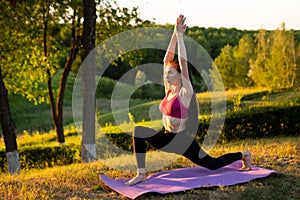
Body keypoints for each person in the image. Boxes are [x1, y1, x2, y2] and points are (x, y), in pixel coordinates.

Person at [125, 14, 251, 186]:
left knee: (212, 165)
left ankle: (243, 155)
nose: (167, 76)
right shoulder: (169, 89)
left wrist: (181, 37)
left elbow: (182, 63)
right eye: (166, 73)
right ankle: (142, 174)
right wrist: (174, 34)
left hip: (182, 141)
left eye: (171, 73)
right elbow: (166, 60)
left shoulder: (185, 92)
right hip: (167, 138)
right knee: (138, 131)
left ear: (180, 76)